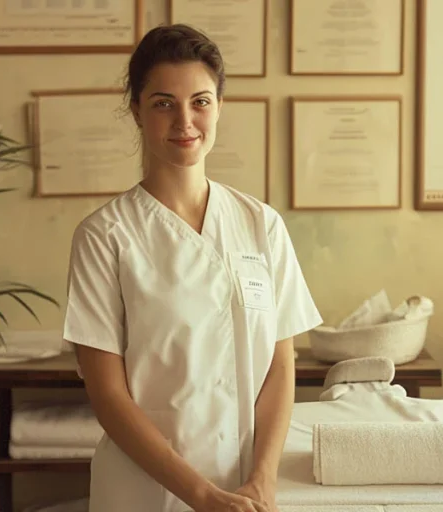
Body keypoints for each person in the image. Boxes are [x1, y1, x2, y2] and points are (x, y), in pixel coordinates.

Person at [62, 23, 323, 512]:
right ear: (137, 110)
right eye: (164, 102)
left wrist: (263, 480)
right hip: (145, 493)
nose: (185, 120)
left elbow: (280, 365)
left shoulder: (260, 224)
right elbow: (109, 399)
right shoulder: (104, 236)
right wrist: (201, 495)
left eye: (200, 101)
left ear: (219, 107)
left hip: (248, 491)